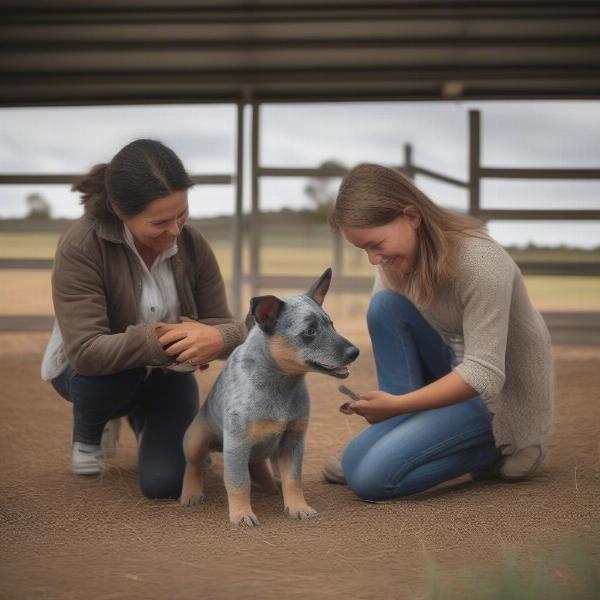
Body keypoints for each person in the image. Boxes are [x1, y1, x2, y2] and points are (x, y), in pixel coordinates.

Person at [322, 163, 555, 501]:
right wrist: (397, 408)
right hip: (450, 378)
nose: (373, 259)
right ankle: (407, 432)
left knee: (370, 479)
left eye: (376, 244)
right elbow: (394, 330)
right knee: (384, 307)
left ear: (412, 217)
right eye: (363, 250)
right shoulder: (395, 260)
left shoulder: (481, 262)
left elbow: (484, 374)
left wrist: (399, 405)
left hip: (498, 397)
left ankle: (494, 449)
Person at [41, 139, 246, 499]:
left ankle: (144, 419)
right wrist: (168, 339)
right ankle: (92, 429)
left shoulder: (193, 244)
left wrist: (220, 339)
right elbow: (87, 352)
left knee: (166, 484)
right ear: (120, 210)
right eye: (160, 222)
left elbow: (222, 321)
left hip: (165, 373)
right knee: (114, 376)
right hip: (89, 375)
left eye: (182, 214)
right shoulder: (80, 244)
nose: (175, 231)